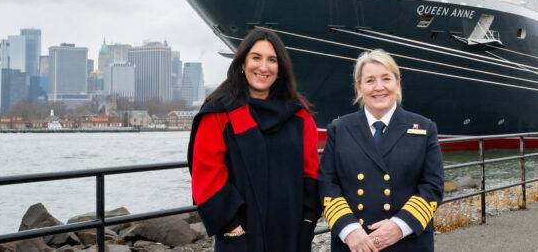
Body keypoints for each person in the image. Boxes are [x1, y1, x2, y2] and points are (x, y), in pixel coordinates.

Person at [187, 28, 319, 251]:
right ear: (242, 63)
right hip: (241, 237)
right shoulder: (220, 112)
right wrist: (231, 227)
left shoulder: (298, 114)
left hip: (291, 234)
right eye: (256, 58)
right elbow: (205, 173)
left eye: (272, 60)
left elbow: (311, 171)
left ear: (280, 68)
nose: (263, 67)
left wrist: (307, 222)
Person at [319, 49, 443, 251]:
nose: (379, 87)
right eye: (369, 81)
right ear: (358, 88)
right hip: (353, 244)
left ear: (398, 83)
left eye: (386, 79)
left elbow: (432, 186)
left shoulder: (424, 128)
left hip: (407, 242)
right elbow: (327, 184)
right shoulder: (339, 129)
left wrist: (399, 226)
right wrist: (349, 229)